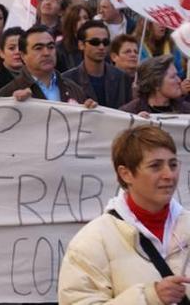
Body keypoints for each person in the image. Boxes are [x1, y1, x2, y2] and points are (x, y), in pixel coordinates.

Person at [58, 125, 190, 305]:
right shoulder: (93, 241)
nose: (169, 175)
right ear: (126, 173)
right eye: (155, 166)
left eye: (173, 164)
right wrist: (149, 298)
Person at [0, 24, 92, 105]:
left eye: (51, 47)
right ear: (23, 55)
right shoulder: (5, 96)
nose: (46, 53)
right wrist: (13, 104)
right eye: (38, 48)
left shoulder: (74, 89)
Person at [64, 20, 133, 109]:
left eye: (105, 42)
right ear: (81, 45)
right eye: (95, 42)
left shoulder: (122, 78)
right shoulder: (67, 80)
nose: (101, 47)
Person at [120, 55, 190, 116]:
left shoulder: (187, 111)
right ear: (156, 83)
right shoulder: (129, 113)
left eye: (177, 75)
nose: (179, 80)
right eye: (173, 77)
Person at [55, 3, 91, 72]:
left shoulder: (97, 44)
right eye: (78, 19)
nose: (83, 22)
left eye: (86, 18)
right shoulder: (60, 49)